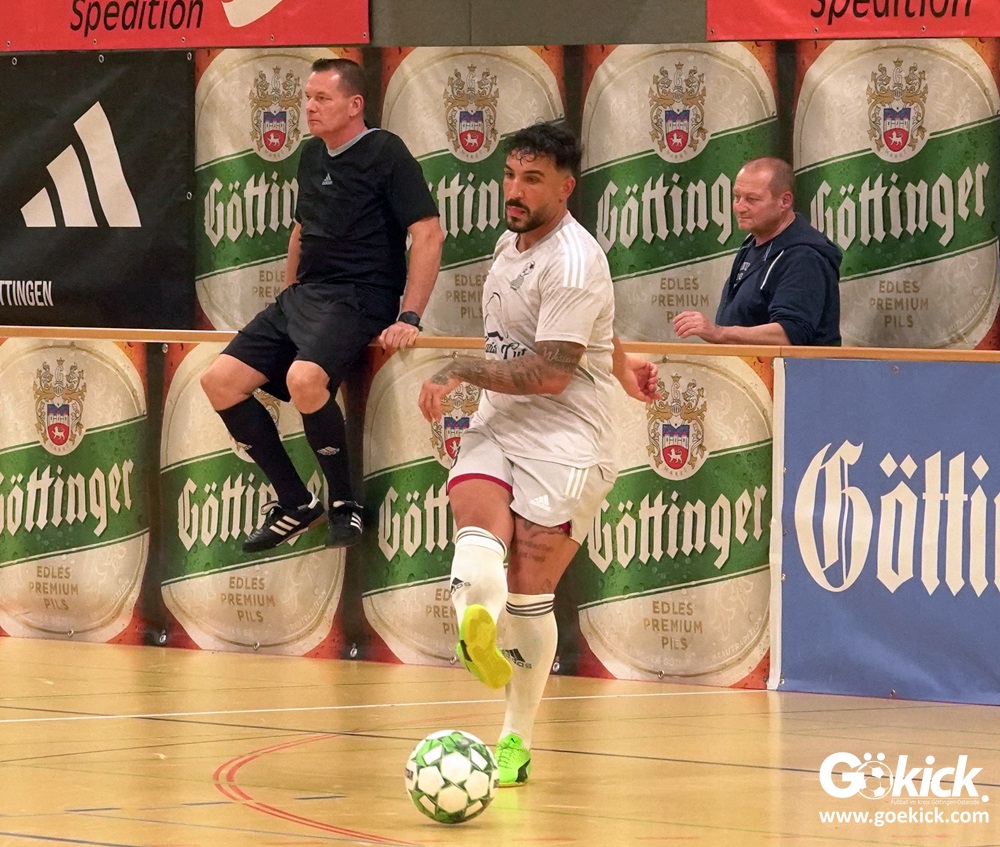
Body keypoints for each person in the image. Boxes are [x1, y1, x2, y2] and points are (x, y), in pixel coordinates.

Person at [418, 123, 659, 787]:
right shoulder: (510, 243)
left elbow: (552, 373)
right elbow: (587, 328)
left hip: (566, 443)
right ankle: (476, 623)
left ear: (565, 187)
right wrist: (622, 363)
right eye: (509, 176)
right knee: (473, 514)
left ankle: (514, 738)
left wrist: (460, 368)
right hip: (500, 422)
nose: (515, 191)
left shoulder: (575, 259)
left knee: (529, 588)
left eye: (531, 180)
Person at [201, 57, 444, 553]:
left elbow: (428, 233)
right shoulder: (311, 154)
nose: (309, 107)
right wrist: (288, 292)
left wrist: (410, 316)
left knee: (304, 379)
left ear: (354, 105)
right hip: (304, 297)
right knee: (219, 381)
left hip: (360, 295)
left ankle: (345, 502)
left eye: (322, 98)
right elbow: (301, 229)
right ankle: (295, 502)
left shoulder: (386, 151)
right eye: (307, 98)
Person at [673, 156, 842, 346]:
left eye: (752, 199)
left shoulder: (805, 257)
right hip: (743, 365)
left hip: (791, 366)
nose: (739, 207)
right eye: (737, 197)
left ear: (785, 201)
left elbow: (789, 334)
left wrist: (719, 333)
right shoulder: (752, 243)